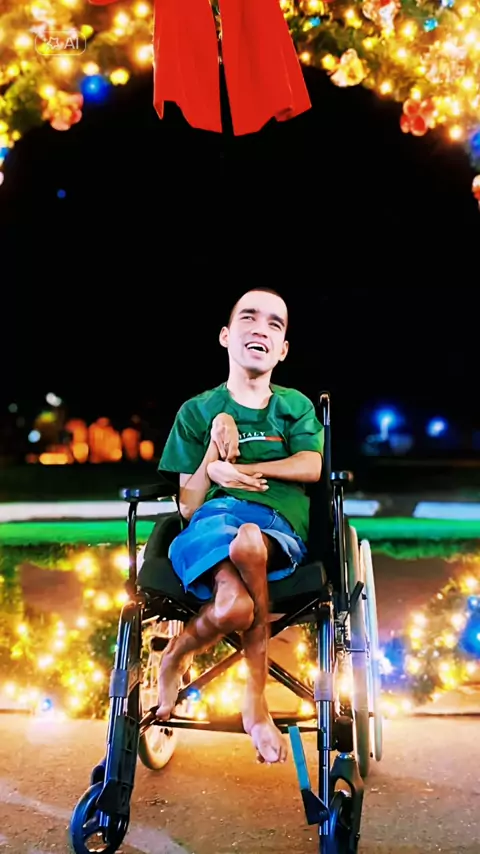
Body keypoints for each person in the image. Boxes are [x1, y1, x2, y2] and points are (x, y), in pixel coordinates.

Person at [155, 288, 324, 764]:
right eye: (249, 318)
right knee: (234, 595)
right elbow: (189, 504)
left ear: (282, 349)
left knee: (251, 544)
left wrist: (245, 471)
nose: (261, 328)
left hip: (276, 525)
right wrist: (213, 456)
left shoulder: (293, 406)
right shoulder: (196, 410)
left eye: (274, 324)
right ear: (226, 336)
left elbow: (312, 465)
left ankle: (184, 656)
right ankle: (251, 700)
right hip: (212, 524)